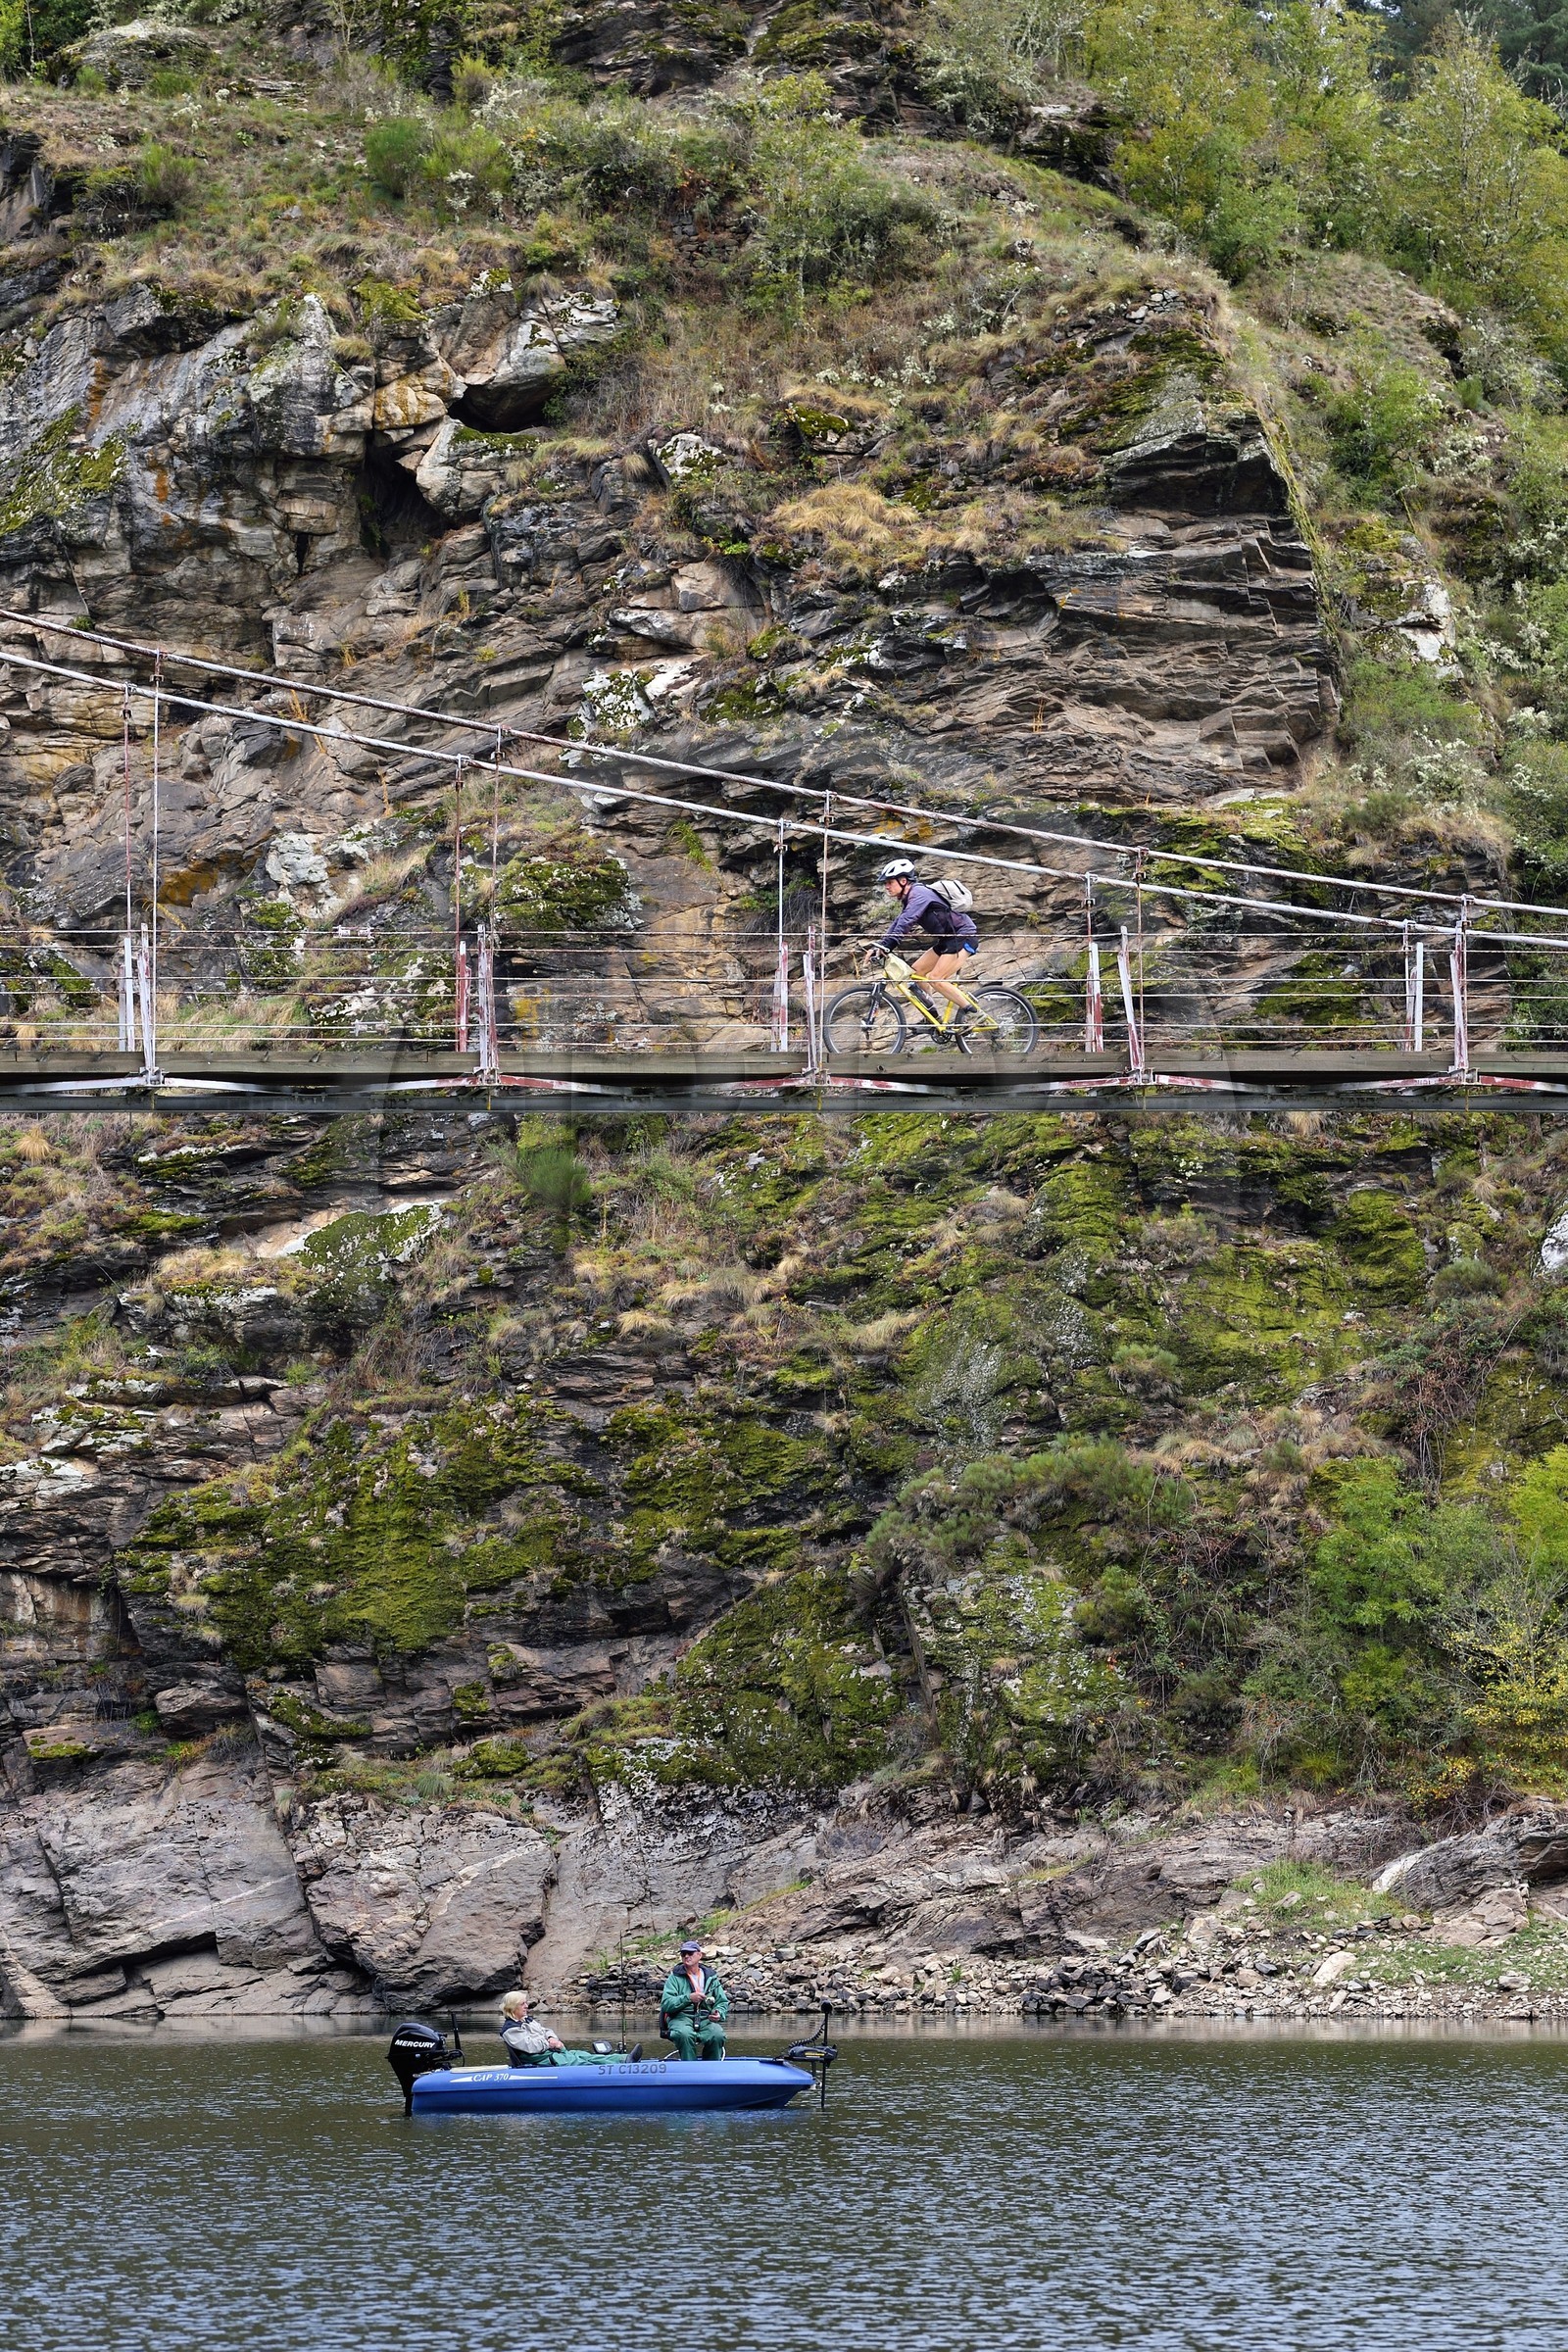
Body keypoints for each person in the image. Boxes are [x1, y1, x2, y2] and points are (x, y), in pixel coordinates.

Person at [875, 858, 979, 1023]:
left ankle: (975, 1015)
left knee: (936, 978)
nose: (886, 886)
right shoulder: (909, 898)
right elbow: (898, 922)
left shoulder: (919, 894)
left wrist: (888, 946)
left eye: (889, 882)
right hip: (948, 939)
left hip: (963, 936)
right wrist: (881, 945)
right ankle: (933, 1017)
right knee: (916, 973)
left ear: (903, 881)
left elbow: (907, 921)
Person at [498, 1987, 614, 2068]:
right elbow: (531, 2046)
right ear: (513, 2007)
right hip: (543, 2059)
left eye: (526, 2003)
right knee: (581, 2063)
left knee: (585, 2056)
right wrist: (550, 2044)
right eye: (522, 2004)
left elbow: (546, 2031)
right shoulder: (511, 2030)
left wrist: (551, 2038)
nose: (527, 2006)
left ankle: (626, 2060)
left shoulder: (528, 2020)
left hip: (555, 2054)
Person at [660, 1938, 729, 2061]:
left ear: (699, 1955)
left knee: (717, 2035)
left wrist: (719, 2013)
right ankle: (689, 2068)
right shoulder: (674, 1978)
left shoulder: (711, 1977)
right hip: (681, 2018)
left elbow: (722, 2002)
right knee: (684, 2035)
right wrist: (688, 1998)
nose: (686, 1956)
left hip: (705, 2018)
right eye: (683, 1954)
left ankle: (711, 2069)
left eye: (690, 1953)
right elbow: (666, 2004)